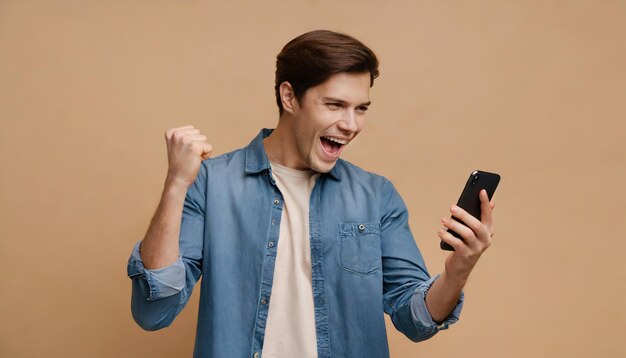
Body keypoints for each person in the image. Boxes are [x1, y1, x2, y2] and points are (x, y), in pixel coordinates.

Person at [127, 29, 495, 358]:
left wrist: (459, 269)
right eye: (335, 105)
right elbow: (153, 311)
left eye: (361, 109)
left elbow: (414, 319)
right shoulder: (211, 184)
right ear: (289, 96)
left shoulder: (376, 196)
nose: (351, 125)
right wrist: (176, 185)